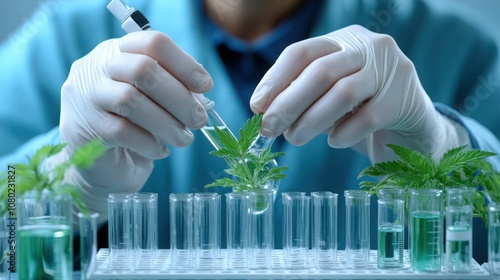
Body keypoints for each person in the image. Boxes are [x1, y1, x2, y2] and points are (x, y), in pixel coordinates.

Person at [1, 0, 499, 263]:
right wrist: (66, 179)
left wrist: (445, 146)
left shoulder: (459, 51)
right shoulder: (59, 39)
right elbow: (4, 223)